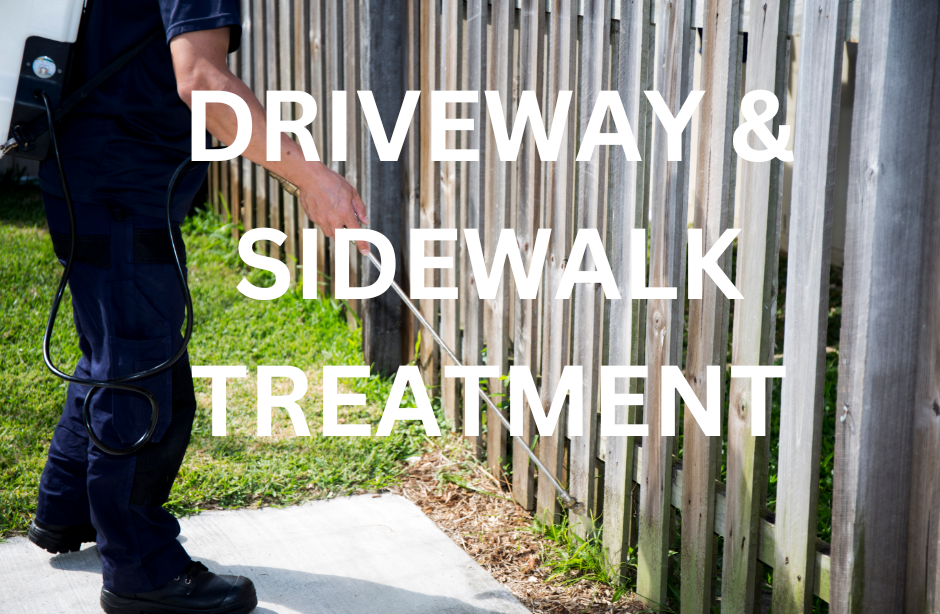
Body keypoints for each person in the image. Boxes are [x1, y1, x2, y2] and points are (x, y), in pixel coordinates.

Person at [28, 2, 368, 613]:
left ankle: (66, 509)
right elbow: (204, 82)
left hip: (82, 163)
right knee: (142, 375)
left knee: (109, 349)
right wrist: (309, 174)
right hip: (121, 181)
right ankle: (142, 574)